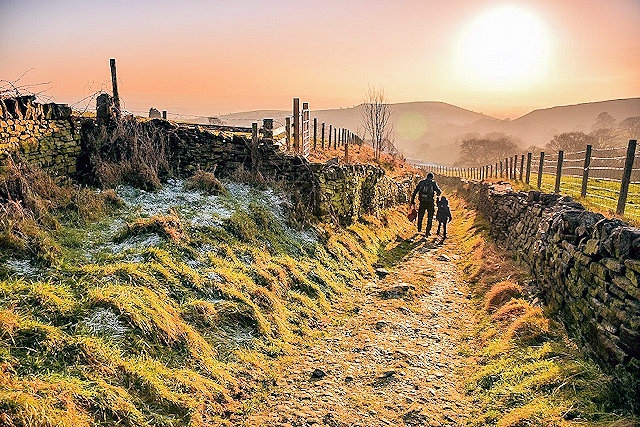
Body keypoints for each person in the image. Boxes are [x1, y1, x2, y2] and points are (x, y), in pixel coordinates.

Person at [410, 172, 441, 237]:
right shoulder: (433, 183)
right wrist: (438, 194)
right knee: (430, 217)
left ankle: (419, 229)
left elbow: (415, 191)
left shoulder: (421, 182)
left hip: (422, 202)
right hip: (430, 202)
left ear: (427, 177)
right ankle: (427, 232)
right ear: (432, 177)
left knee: (420, 216)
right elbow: (439, 191)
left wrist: (412, 200)